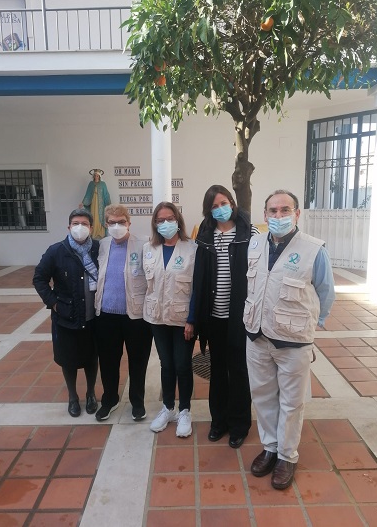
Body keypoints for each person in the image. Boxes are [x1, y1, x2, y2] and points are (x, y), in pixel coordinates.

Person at [244, 189, 335, 489]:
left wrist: (311, 326)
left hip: (293, 341)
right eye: (273, 211)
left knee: (292, 402)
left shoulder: (314, 249)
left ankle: (287, 455)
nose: (278, 216)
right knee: (263, 396)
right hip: (257, 336)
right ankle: (270, 447)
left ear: (297, 213)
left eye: (285, 210)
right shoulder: (255, 243)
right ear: (265, 214)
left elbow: (326, 292)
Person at [190, 185, 259, 449]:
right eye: (214, 206)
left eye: (223, 203)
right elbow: (199, 278)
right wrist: (196, 317)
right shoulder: (205, 235)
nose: (220, 209)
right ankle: (218, 421)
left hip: (239, 317)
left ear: (232, 202)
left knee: (239, 371)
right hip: (214, 317)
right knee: (217, 370)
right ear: (208, 210)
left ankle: (239, 424)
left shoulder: (249, 233)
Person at [33, 209, 99, 418]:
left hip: (93, 317)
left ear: (91, 227)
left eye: (84, 223)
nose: (80, 227)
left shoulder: (98, 249)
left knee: (91, 357)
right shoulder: (56, 251)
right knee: (68, 359)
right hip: (66, 316)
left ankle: (90, 393)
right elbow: (39, 278)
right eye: (76, 223)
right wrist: (53, 303)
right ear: (69, 227)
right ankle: (73, 396)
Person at [94, 204, 153, 422]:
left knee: (138, 360)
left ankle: (137, 402)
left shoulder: (143, 244)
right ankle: (109, 399)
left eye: (121, 222)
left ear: (129, 223)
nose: (116, 226)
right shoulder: (102, 245)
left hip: (135, 315)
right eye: (112, 222)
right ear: (106, 224)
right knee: (108, 361)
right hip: (106, 315)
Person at [143, 202, 197, 438]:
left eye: (170, 219)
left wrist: (192, 319)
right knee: (166, 365)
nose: (165, 223)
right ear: (155, 223)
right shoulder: (149, 248)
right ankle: (168, 408)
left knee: (182, 365)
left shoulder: (192, 249)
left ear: (178, 220)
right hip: (157, 317)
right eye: (160, 220)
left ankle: (184, 410)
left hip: (183, 318)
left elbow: (197, 288)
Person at [80, 169, 111, 240]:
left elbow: (106, 194)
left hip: (101, 204)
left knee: (101, 216)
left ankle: (101, 232)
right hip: (93, 203)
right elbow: (88, 194)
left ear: (99, 176)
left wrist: (109, 204)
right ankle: (93, 232)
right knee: (93, 216)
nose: (96, 177)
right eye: (95, 175)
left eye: (97, 176)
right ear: (93, 176)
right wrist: (83, 203)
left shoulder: (103, 184)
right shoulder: (91, 184)